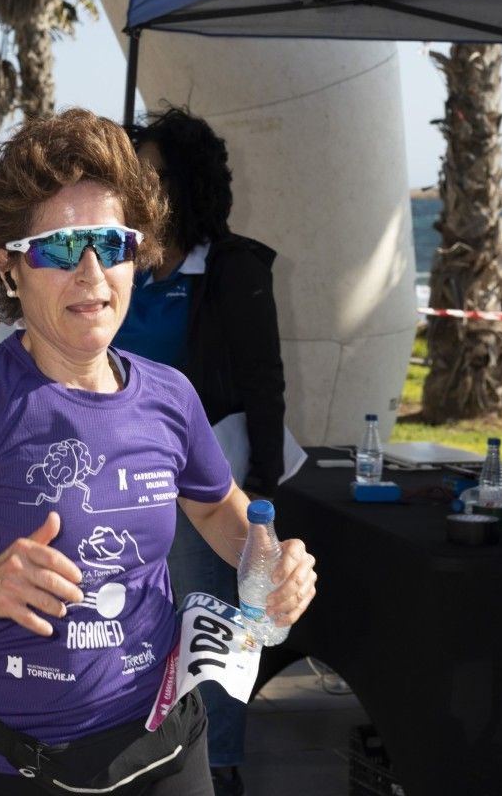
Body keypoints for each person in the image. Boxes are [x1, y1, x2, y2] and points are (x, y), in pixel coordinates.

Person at [0, 109, 319, 795]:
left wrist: (269, 566)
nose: (91, 272)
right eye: (56, 248)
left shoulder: (169, 395)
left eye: (111, 242)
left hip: (162, 750)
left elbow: (222, 511)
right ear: (9, 268)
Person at [114, 108, 290, 796]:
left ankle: (218, 767)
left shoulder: (232, 267)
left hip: (204, 477)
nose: (142, 188)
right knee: (132, 617)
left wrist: (265, 485)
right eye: (135, 175)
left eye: (154, 175)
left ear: (190, 183)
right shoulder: (116, 262)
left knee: (208, 621)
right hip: (115, 475)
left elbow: (262, 378)